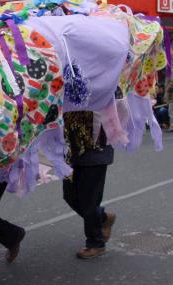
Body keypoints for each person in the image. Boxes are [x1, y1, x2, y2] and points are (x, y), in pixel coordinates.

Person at [62, 111, 116, 259]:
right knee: (69, 195)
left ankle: (96, 243)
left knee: (89, 200)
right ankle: (103, 218)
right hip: (72, 149)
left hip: (95, 149)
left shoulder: (104, 88)